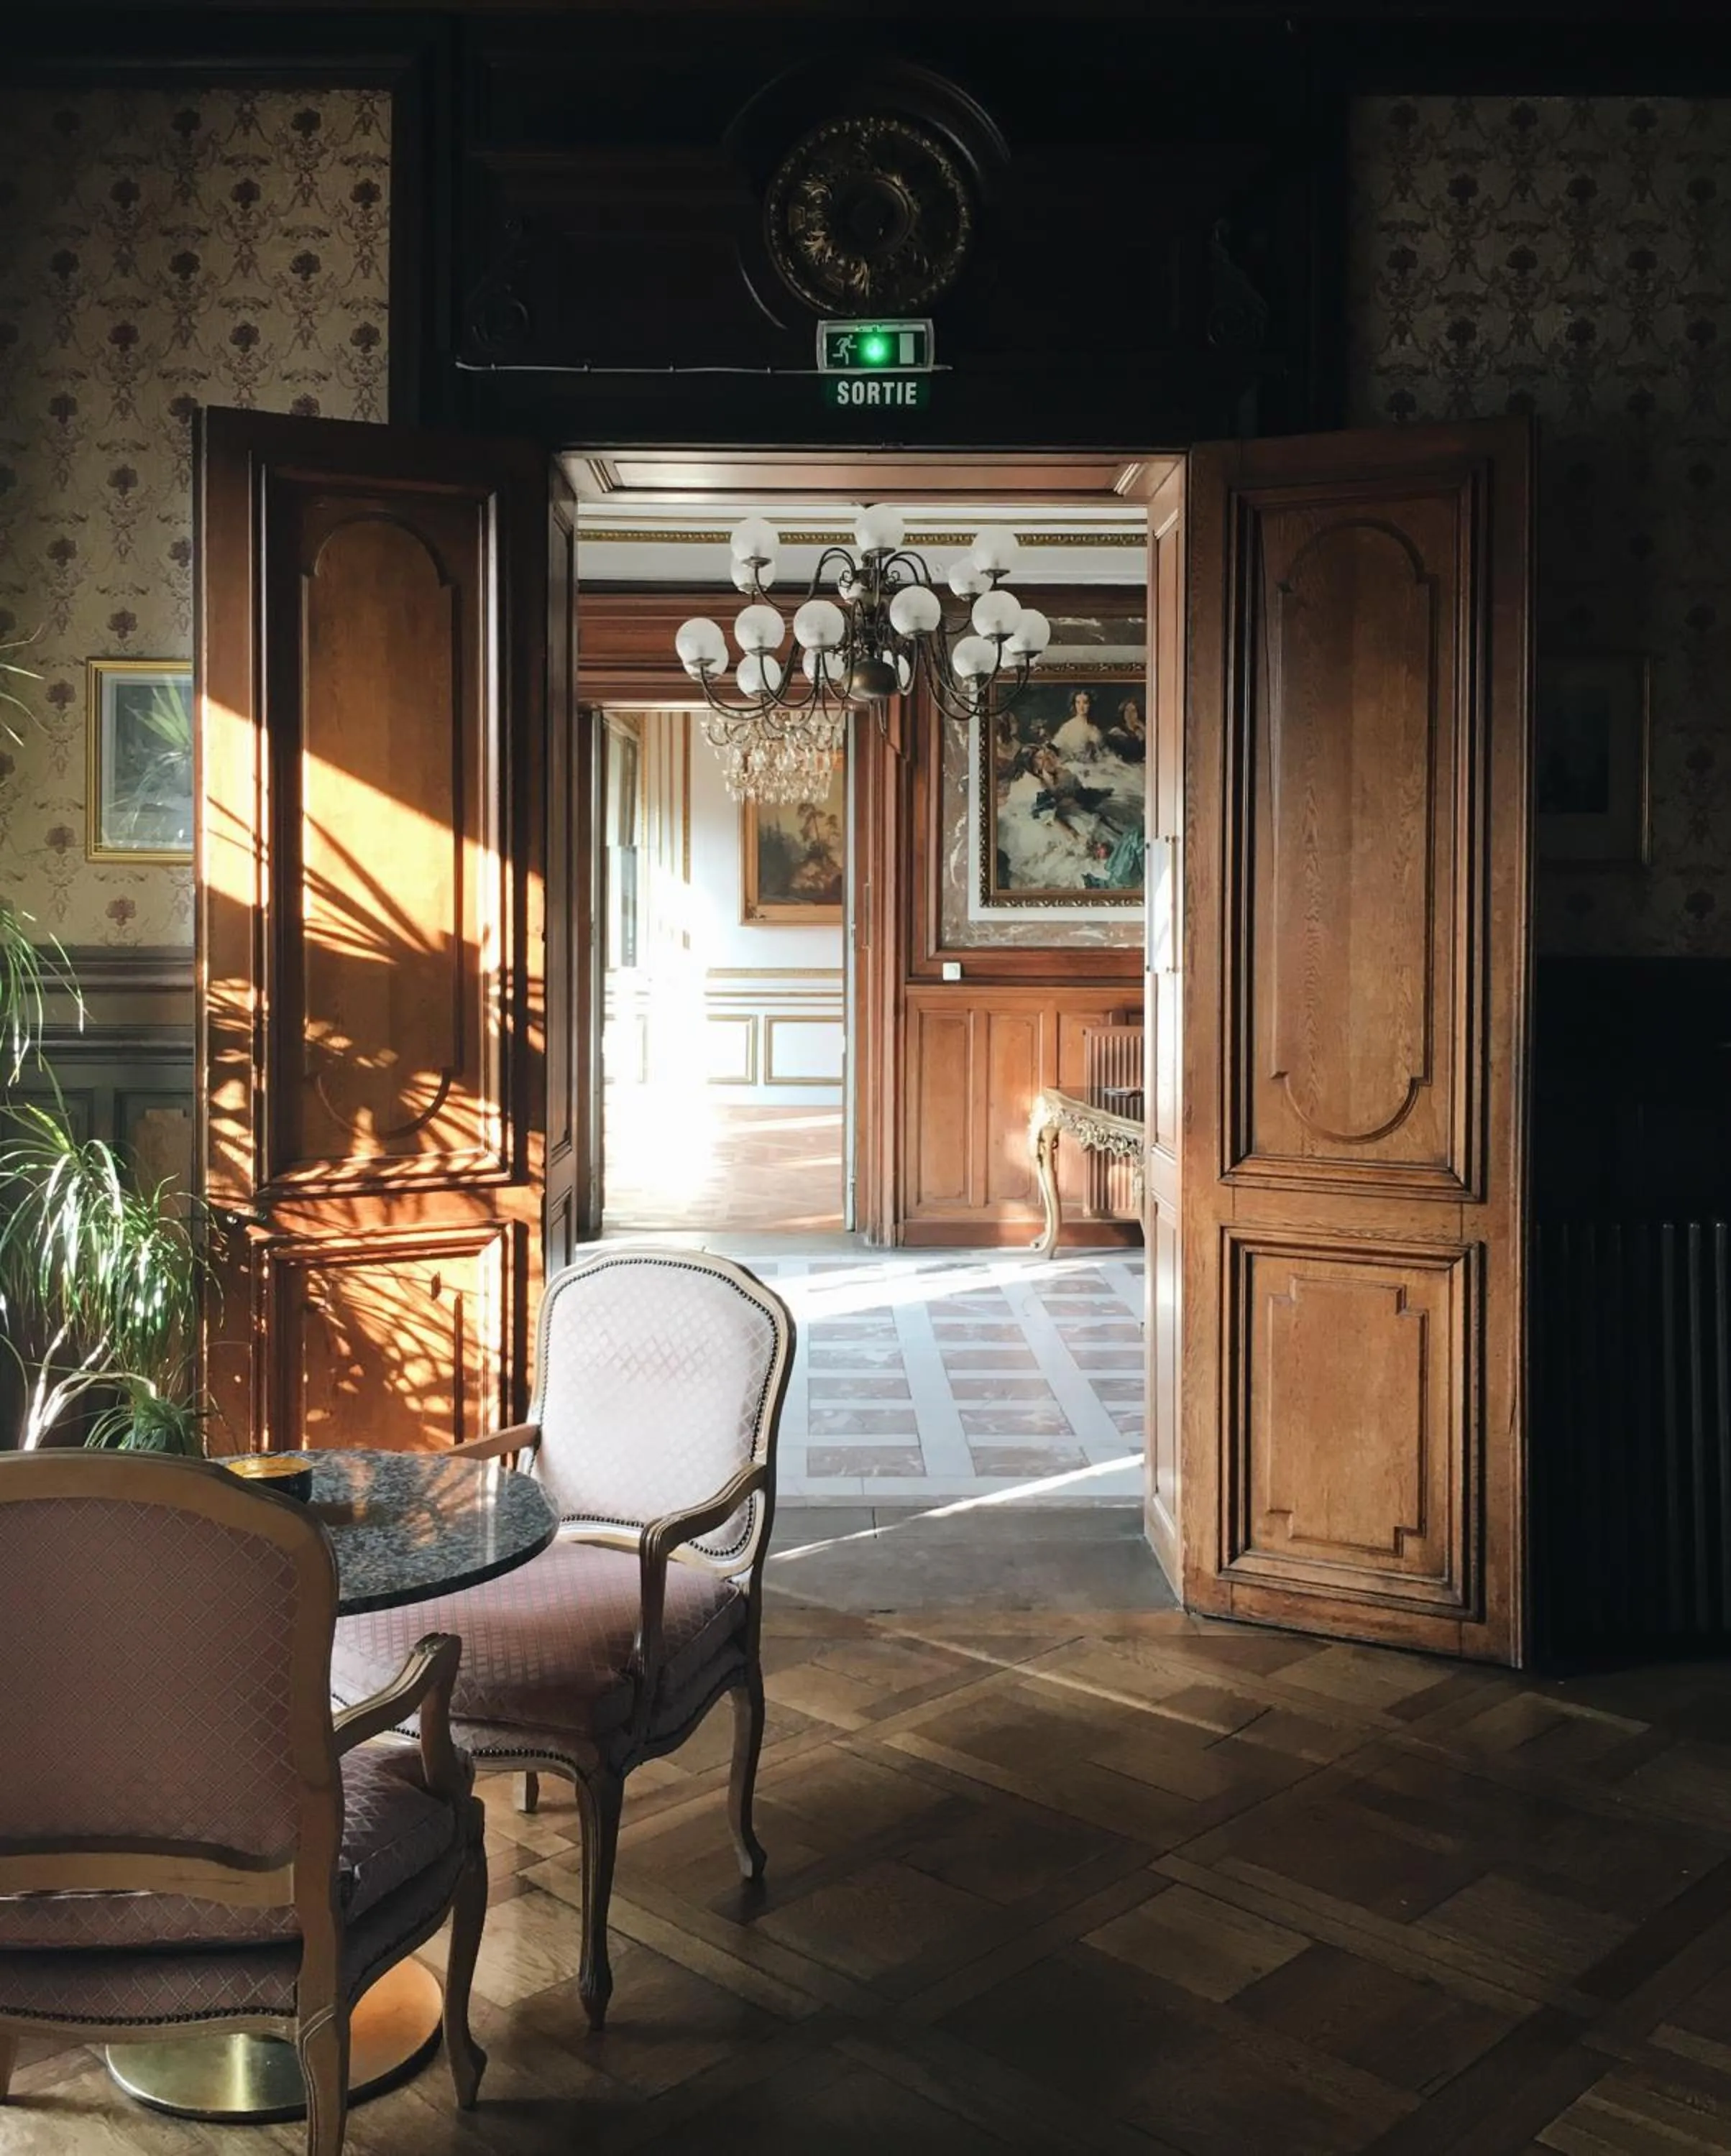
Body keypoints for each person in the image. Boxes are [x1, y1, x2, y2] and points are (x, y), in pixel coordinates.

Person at [1051, 690, 1104, 761]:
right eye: (1078, 703)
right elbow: (1056, 747)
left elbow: (1102, 753)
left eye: (1085, 703)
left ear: (1090, 705)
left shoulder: (1094, 729)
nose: (1081, 706)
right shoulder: (1068, 727)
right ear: (1074, 705)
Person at [1106, 697, 1147, 763]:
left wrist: (1143, 730)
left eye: (1133, 711)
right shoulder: (1117, 731)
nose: (1130, 714)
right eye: (1127, 711)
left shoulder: (1142, 731)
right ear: (1123, 713)